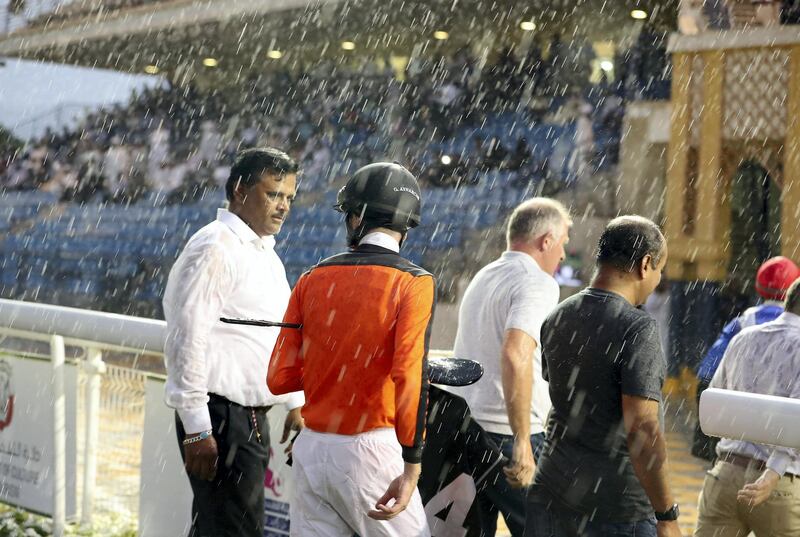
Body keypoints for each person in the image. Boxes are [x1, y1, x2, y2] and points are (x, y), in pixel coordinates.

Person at [268, 162, 435, 536]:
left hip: (311, 450)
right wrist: (413, 465)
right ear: (406, 225)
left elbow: (279, 378)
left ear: (356, 218)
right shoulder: (415, 282)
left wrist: (334, 362)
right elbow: (410, 375)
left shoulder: (310, 278)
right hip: (372, 451)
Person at [163, 147, 305, 537]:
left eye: (289, 197)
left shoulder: (263, 253)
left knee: (220, 528)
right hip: (221, 417)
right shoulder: (216, 247)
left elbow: (277, 332)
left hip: (245, 418)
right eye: (274, 194)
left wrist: (294, 400)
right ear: (240, 190)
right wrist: (196, 427)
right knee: (232, 530)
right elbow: (186, 337)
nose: (283, 207)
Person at [526, 215, 684, 537]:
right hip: (615, 508)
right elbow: (642, 428)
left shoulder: (558, 315)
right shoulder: (636, 328)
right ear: (645, 264)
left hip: (554, 489)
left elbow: (563, 398)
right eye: (659, 270)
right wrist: (666, 514)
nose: (656, 281)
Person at [447, 198, 571, 536]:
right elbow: (515, 354)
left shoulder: (484, 275)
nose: (562, 255)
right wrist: (521, 441)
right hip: (508, 434)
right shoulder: (537, 282)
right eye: (561, 244)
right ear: (546, 240)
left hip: (467, 429)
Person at [694, 276, 800, 537]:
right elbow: (797, 420)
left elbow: (715, 399)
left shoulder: (743, 338)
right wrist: (772, 474)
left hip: (726, 473)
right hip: (779, 483)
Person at [692, 255, 800, 459]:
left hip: (737, 451)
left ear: (759, 286)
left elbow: (707, 375)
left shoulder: (741, 324)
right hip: (782, 460)